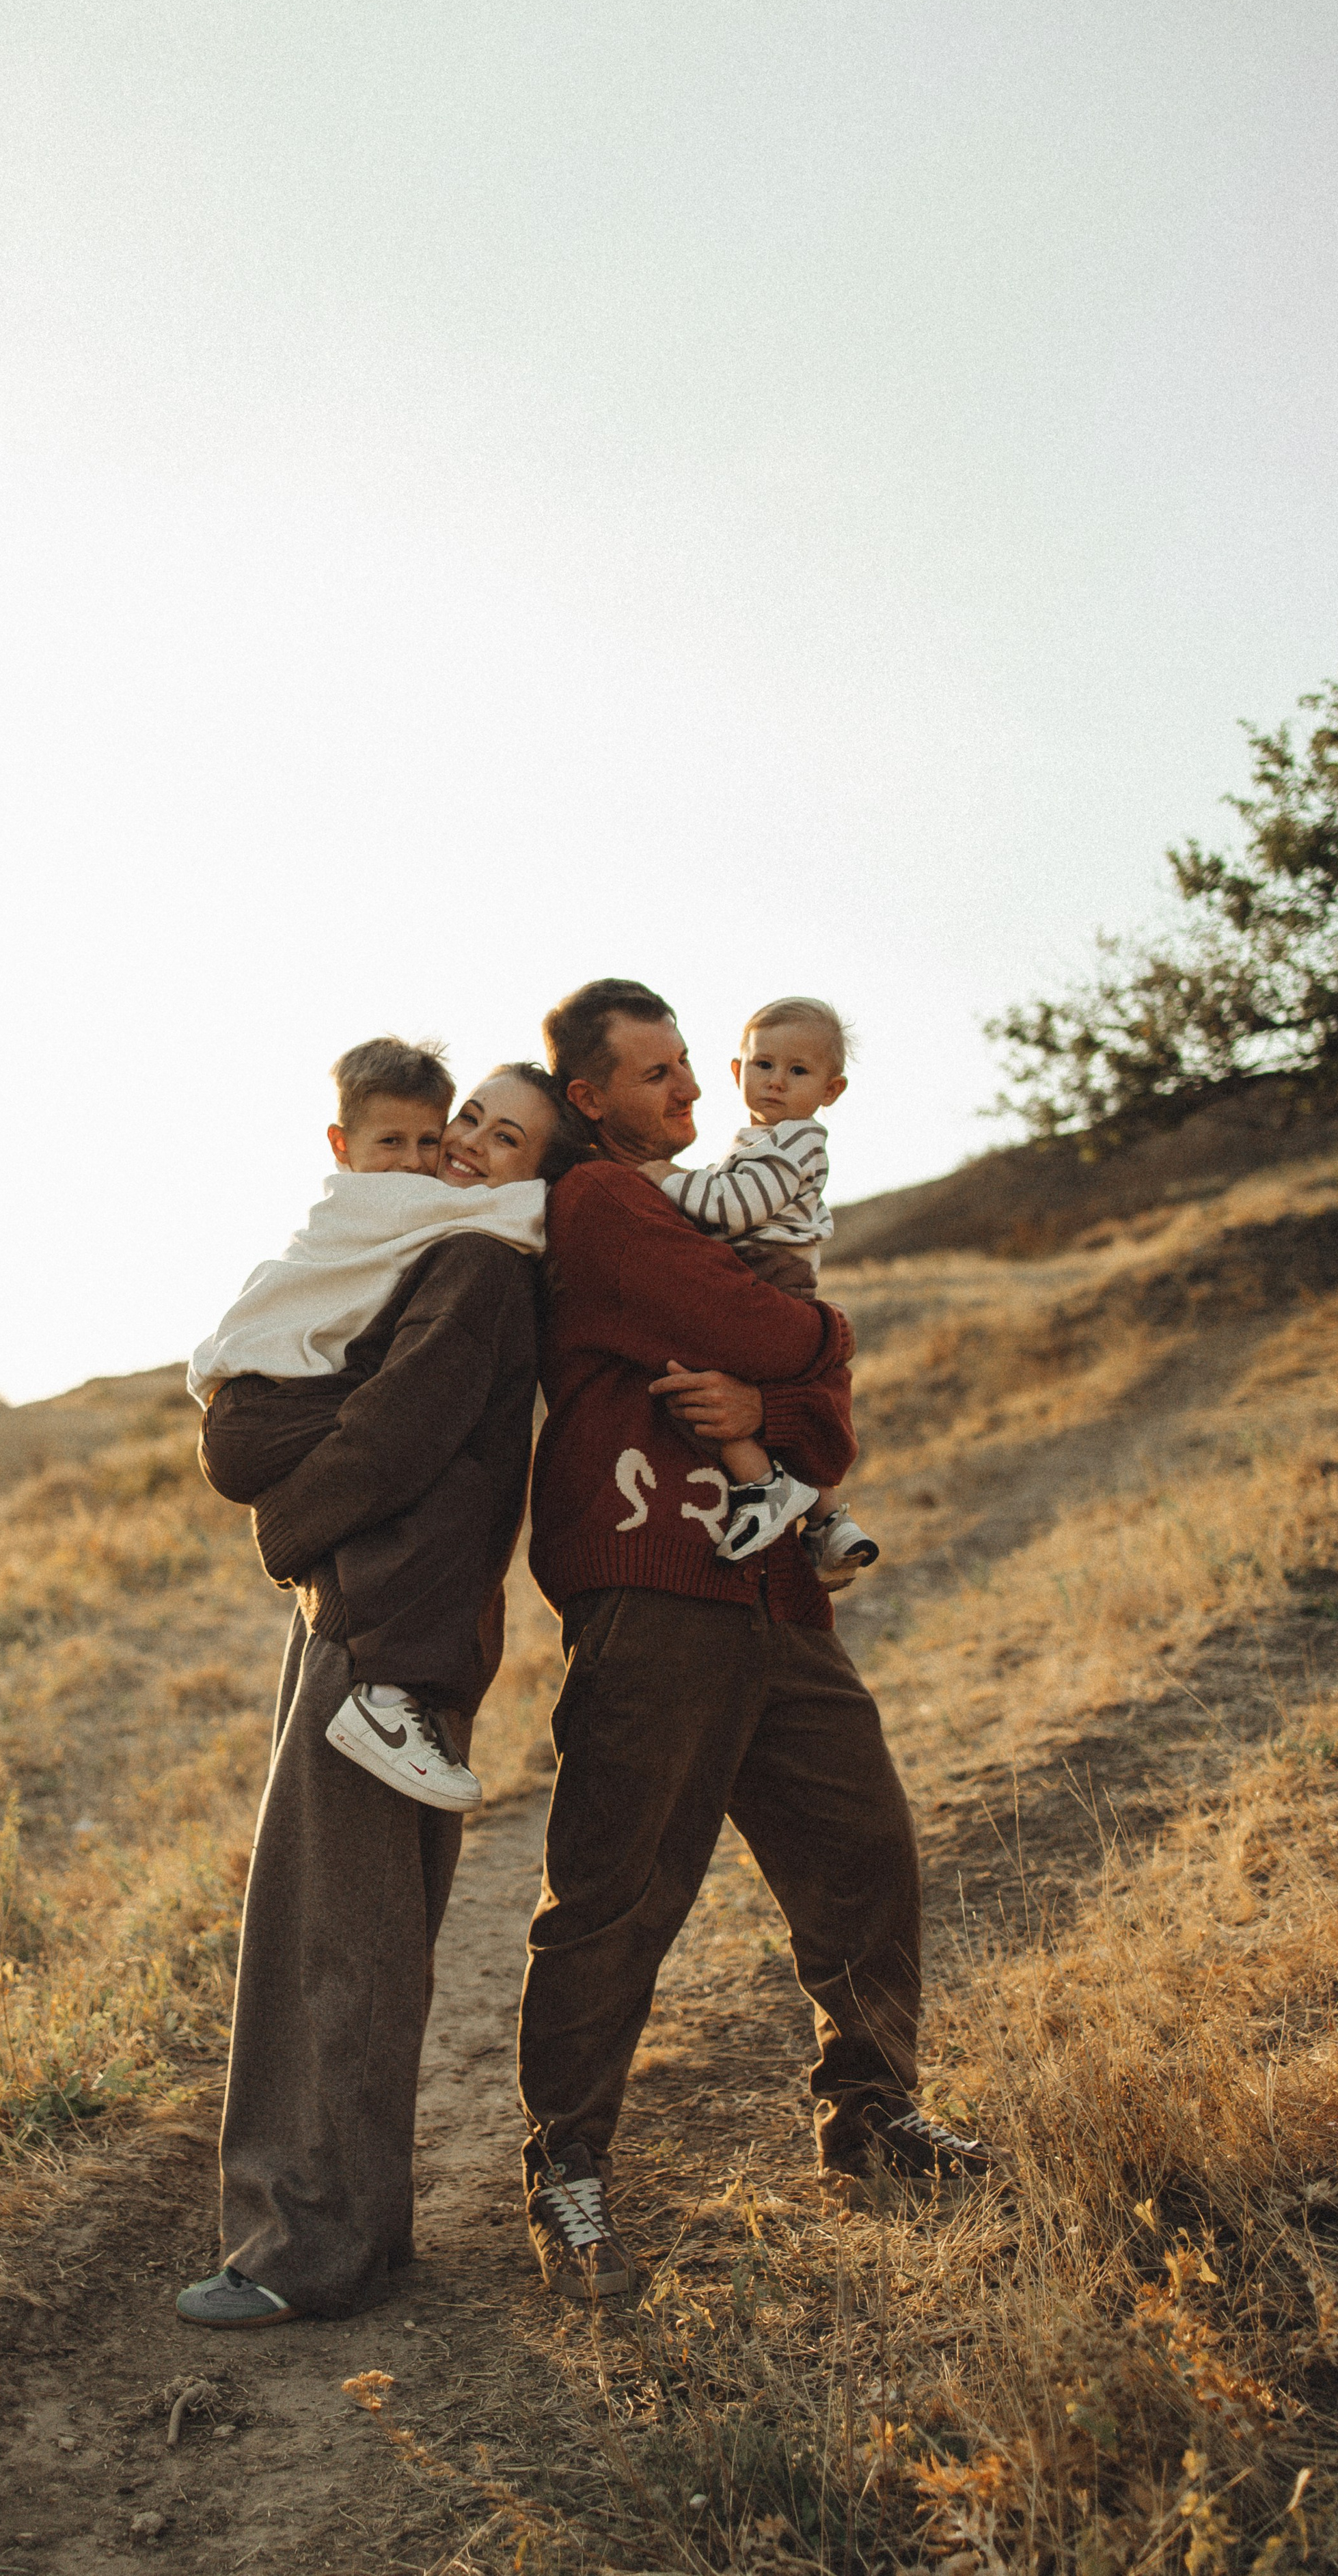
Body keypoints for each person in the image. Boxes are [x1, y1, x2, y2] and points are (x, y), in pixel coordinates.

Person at [517, 977, 990, 2302]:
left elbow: (827, 1426)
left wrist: (777, 1401)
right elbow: (778, 1336)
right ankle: (567, 2172)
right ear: (589, 1098)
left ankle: (873, 2118)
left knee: (863, 1847)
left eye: (688, 1068)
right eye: (656, 1072)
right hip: (654, 1579)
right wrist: (813, 1344)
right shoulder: (603, 1203)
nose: (687, 1091)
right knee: (619, 1886)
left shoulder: (713, 1198)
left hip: (777, 1588)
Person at [177, 1052, 585, 2329]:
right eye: (462, 1122)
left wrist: (277, 1510)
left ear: (537, 1179)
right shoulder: (439, 1260)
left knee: (333, 1936)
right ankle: (357, 2229)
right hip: (390, 1620)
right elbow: (388, 1420)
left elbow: (397, 1437)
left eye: (495, 1140)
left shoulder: (467, 1267)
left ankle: (312, 2253)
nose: (458, 1149)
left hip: (379, 1631)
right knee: (363, 1929)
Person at [188, 1036, 551, 1809]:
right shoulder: (388, 1203)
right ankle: (384, 1705)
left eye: (429, 1139)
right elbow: (517, 1215)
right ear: (341, 1146)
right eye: (391, 1142)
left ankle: (389, 1701)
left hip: (267, 1408)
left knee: (440, 1467)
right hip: (263, 1412)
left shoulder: (396, 1201)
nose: (417, 1160)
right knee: (447, 1474)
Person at [641, 994, 880, 1574]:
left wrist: (665, 1178)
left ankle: (765, 1486)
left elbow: (737, 1207)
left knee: (698, 1377)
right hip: (763, 1266)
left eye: (798, 1072)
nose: (776, 1082)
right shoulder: (761, 1140)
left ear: (831, 1090)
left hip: (770, 1268)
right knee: (731, 1388)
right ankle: (828, 1518)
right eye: (764, 1065)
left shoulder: (798, 1139)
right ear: (736, 1071)